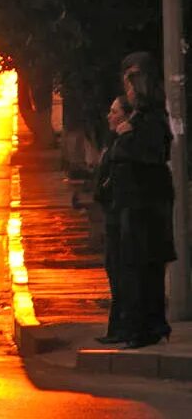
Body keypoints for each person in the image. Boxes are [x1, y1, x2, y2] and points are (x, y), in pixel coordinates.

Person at [111, 52, 176, 348]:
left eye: (132, 83)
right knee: (136, 267)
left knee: (143, 267)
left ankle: (146, 327)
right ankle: (143, 325)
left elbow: (151, 154)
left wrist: (126, 138)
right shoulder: (139, 117)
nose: (128, 91)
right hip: (135, 203)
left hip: (146, 204)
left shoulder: (151, 118)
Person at [92, 95, 133, 344]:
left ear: (125, 116)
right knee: (115, 272)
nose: (109, 115)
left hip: (121, 217)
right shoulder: (114, 140)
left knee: (121, 273)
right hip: (113, 216)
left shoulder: (125, 142)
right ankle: (117, 328)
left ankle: (122, 328)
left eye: (114, 111)